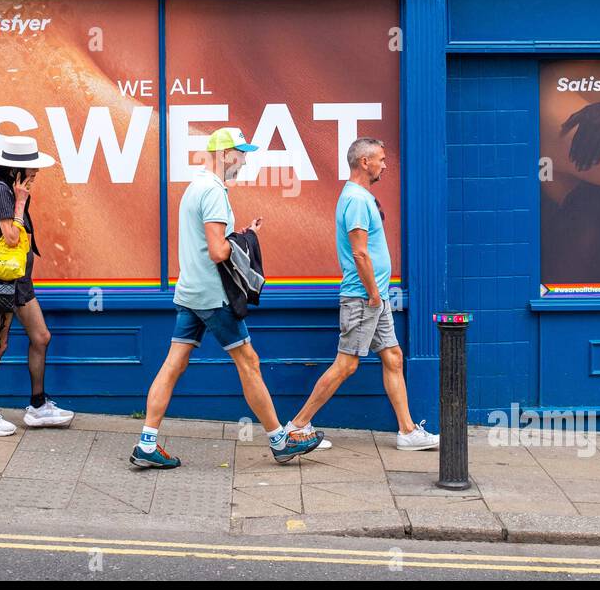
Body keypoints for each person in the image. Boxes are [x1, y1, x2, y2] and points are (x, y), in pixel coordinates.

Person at [130, 127, 323, 469]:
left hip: (190, 291)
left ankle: (147, 442)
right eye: (241, 153)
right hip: (214, 297)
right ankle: (280, 441)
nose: (245, 159)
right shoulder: (215, 192)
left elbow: (211, 242)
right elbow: (219, 251)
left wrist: (243, 234)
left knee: (173, 364)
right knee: (249, 362)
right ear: (226, 154)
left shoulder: (195, 188)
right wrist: (245, 243)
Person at [284, 137, 439, 451]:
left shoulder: (360, 196)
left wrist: (377, 296)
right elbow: (360, 254)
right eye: (381, 159)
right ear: (364, 162)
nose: (385, 164)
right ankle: (297, 427)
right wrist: (373, 295)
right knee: (346, 365)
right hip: (363, 297)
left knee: (393, 357)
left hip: (374, 297)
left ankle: (407, 431)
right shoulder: (356, 199)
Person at [0, 137, 75, 436]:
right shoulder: (3, 190)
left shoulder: (10, 190)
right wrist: (20, 202)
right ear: (16, 170)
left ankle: (38, 405)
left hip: (20, 282)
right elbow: (11, 237)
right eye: (31, 171)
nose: (35, 176)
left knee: (41, 336)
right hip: (3, 280)